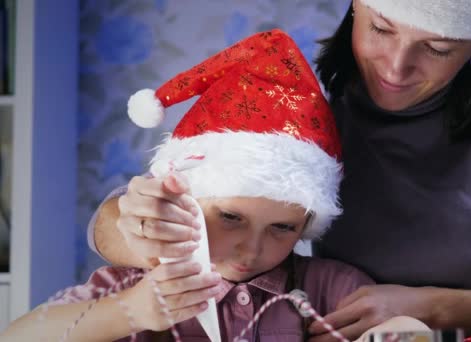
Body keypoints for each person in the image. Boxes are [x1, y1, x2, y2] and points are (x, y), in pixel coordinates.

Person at [87, 0, 471, 341]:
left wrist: (437, 308)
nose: (395, 66)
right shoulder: (312, 112)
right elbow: (121, 225)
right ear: (355, 11)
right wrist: (130, 221)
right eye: (380, 29)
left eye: (437, 47)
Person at [3, 30, 433, 342]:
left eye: (282, 228)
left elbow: (398, 326)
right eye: (230, 217)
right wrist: (130, 311)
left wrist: (404, 333)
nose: (251, 250)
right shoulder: (137, 281)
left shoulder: (326, 287)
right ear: (185, 200)